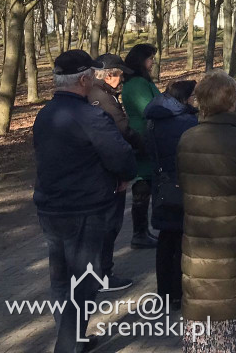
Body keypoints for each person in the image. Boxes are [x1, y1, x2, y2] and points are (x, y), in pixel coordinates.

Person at [33, 50, 137, 353]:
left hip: (50, 208)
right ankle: (68, 345)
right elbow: (121, 156)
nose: (95, 78)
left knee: (61, 280)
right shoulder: (90, 116)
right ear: (83, 78)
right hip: (85, 210)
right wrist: (124, 175)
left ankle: (73, 338)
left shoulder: (45, 114)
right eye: (92, 74)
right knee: (84, 282)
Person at [177, 70, 236, 353]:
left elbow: (184, 184)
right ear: (231, 101)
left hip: (199, 241)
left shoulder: (186, 139)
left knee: (206, 311)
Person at [90, 52, 142, 293]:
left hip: (101, 172)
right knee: (108, 226)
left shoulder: (100, 94)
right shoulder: (103, 98)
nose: (122, 81)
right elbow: (121, 131)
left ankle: (100, 272)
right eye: (120, 75)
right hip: (108, 173)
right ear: (109, 74)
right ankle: (102, 275)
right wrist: (144, 146)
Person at [146, 79, 198, 309]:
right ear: (185, 98)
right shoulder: (186, 122)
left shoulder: (153, 119)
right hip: (183, 184)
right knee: (182, 240)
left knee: (166, 239)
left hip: (162, 185)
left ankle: (165, 292)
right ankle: (180, 291)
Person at [121, 43, 161, 249]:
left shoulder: (140, 81)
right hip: (142, 135)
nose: (152, 61)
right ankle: (139, 232)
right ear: (140, 60)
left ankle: (143, 231)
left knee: (146, 182)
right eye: (149, 58)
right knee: (143, 184)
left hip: (146, 133)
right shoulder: (136, 84)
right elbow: (149, 107)